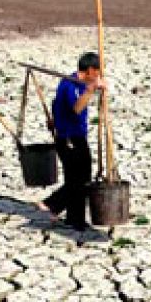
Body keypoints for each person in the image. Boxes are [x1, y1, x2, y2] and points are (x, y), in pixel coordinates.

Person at [40, 52, 106, 229]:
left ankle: (74, 219)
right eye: (98, 71)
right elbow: (76, 108)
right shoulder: (70, 85)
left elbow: (56, 104)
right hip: (70, 138)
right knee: (80, 180)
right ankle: (52, 203)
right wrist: (91, 89)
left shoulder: (79, 84)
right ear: (90, 70)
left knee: (76, 178)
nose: (99, 75)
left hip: (75, 135)